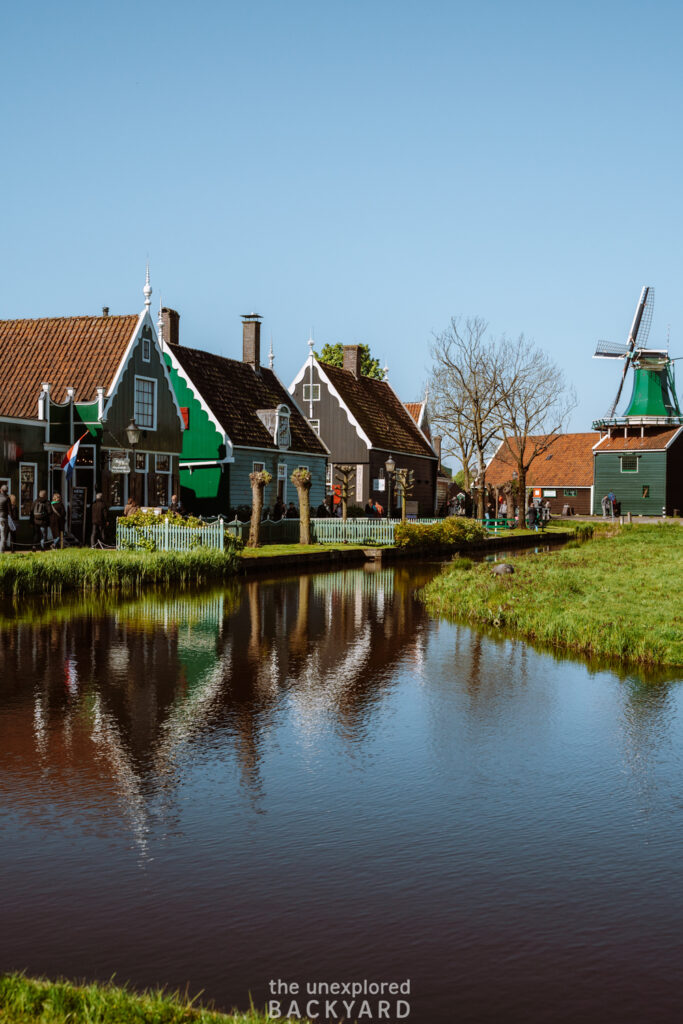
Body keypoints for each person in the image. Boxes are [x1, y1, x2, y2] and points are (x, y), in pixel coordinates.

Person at [0, 484, 9, 553]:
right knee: (3, 535)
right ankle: (1, 552)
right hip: (3, 518)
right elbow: (10, 510)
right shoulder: (7, 498)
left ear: (1, 490)